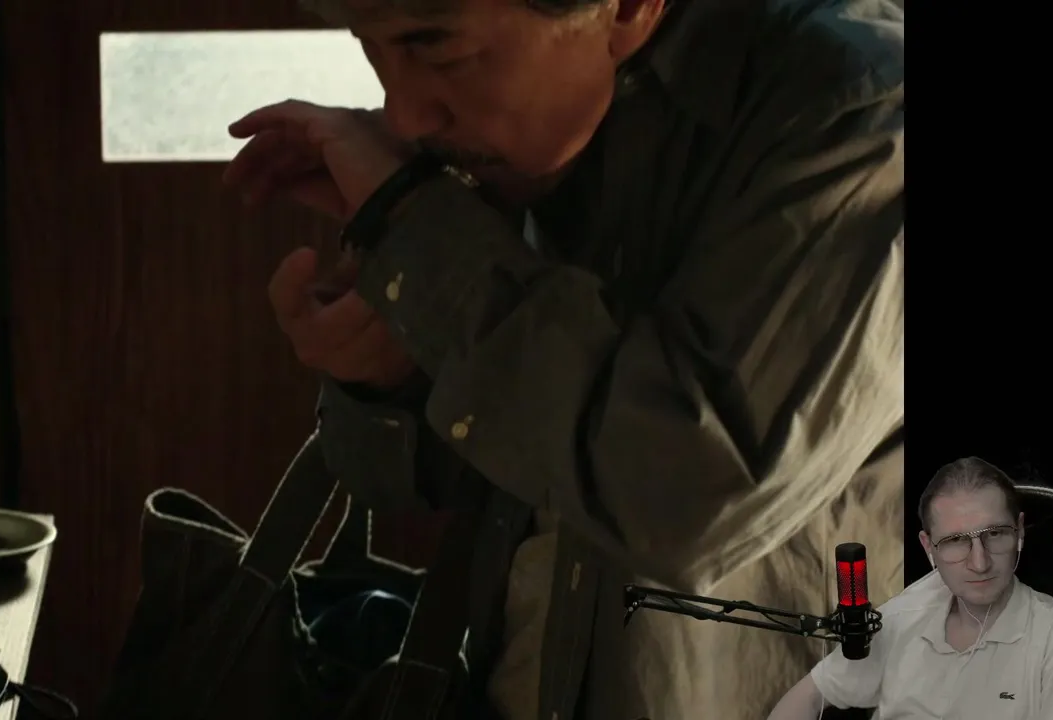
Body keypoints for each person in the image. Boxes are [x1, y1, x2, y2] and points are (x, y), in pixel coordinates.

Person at [222, 0, 905, 718]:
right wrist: (385, 375)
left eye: (437, 48)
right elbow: (437, 482)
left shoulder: (854, 109)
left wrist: (418, 229)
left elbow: (689, 501)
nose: (403, 115)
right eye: (372, 49)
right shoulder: (528, 133)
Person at [767, 458, 1053, 720]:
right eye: (955, 541)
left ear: (1019, 531)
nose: (979, 562)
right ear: (928, 547)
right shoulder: (904, 616)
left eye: (995, 533)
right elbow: (806, 696)